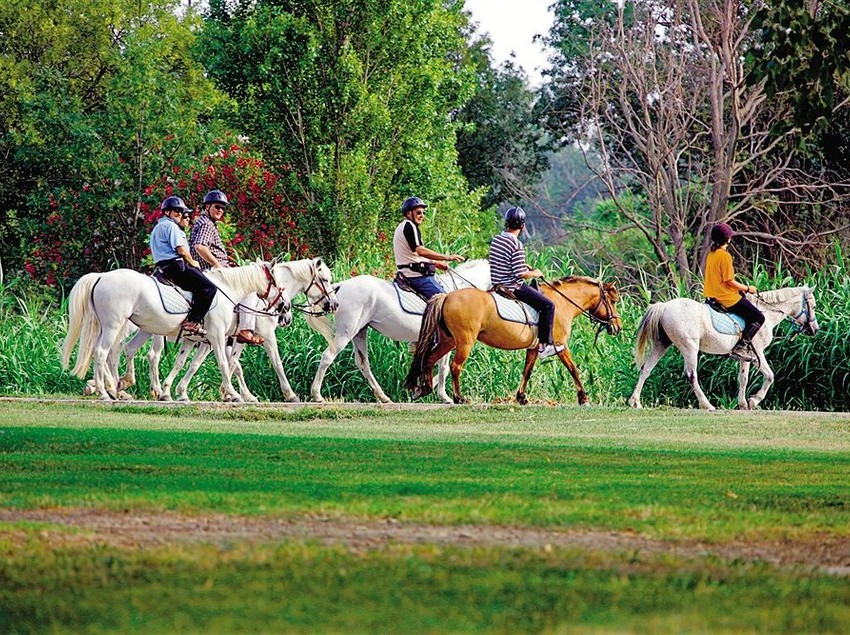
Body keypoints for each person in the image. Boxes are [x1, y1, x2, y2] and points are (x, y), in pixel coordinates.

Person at [190, 189, 264, 346]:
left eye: (223, 208)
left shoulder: (204, 223)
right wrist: (217, 264)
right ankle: (246, 329)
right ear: (208, 206)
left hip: (211, 270)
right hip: (214, 272)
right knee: (250, 289)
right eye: (217, 206)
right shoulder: (207, 224)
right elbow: (200, 247)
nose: (220, 211)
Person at [489, 206, 565, 359]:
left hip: (497, 284)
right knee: (548, 305)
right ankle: (545, 346)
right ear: (522, 226)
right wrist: (536, 272)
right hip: (513, 286)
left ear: (506, 223)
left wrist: (523, 264)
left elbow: (503, 262)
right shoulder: (516, 244)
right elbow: (520, 274)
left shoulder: (497, 239)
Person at [149, 196, 216, 337]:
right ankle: (193, 321)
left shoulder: (157, 227)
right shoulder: (171, 226)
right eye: (176, 211)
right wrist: (193, 263)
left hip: (162, 267)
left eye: (181, 212)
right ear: (167, 212)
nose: (179, 214)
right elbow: (181, 250)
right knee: (209, 288)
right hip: (176, 266)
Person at [703, 222, 765, 361]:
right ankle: (741, 347)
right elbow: (729, 281)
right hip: (725, 297)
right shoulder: (725, 256)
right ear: (729, 239)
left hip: (712, 295)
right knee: (759, 318)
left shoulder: (711, 254)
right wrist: (748, 288)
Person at [393, 196, 464, 300]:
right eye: (418, 213)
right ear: (409, 213)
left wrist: (436, 263)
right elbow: (420, 251)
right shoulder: (410, 226)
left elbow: (413, 256)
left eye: (423, 213)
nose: (422, 216)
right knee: (445, 302)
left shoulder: (404, 226)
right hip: (415, 275)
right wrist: (447, 257)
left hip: (410, 272)